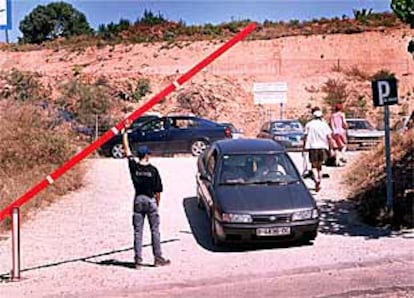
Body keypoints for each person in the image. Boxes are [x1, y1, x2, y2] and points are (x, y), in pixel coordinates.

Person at [122, 120, 170, 269]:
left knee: (138, 232)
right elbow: (158, 190)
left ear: (139, 155)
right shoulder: (153, 170)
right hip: (150, 200)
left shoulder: (134, 167)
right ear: (147, 156)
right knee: (155, 230)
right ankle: (158, 258)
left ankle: (138, 260)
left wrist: (124, 132)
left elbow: (126, 150)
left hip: (138, 199)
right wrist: (157, 204)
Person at [303, 107, 334, 192]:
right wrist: (331, 149)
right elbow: (329, 137)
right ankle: (319, 180)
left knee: (313, 166)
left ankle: (316, 180)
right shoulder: (324, 125)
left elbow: (305, 137)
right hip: (322, 147)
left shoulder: (309, 124)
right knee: (320, 166)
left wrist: (304, 148)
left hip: (312, 147)